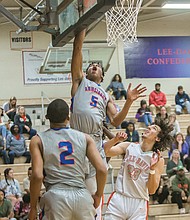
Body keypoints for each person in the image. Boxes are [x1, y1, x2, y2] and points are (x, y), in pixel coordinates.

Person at [70, 30, 146, 219]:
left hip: (95, 142)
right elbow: (77, 49)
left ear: (102, 77)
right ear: (86, 72)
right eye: (91, 66)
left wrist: (128, 101)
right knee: (73, 190)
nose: (94, 66)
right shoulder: (79, 81)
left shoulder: (106, 95)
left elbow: (116, 121)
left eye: (97, 66)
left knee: (94, 194)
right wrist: (82, 29)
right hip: (77, 137)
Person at [29, 99, 107, 220]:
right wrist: (98, 195)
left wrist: (33, 207)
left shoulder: (37, 140)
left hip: (55, 198)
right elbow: (102, 169)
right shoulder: (85, 138)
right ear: (68, 117)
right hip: (82, 197)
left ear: (47, 117)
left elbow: (37, 176)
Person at [104, 119, 174, 220]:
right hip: (120, 198)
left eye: (154, 128)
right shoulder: (128, 146)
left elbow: (151, 190)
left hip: (139, 203)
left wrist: (152, 169)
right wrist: (115, 140)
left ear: (157, 138)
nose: (149, 127)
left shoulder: (157, 159)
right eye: (149, 126)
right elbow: (106, 152)